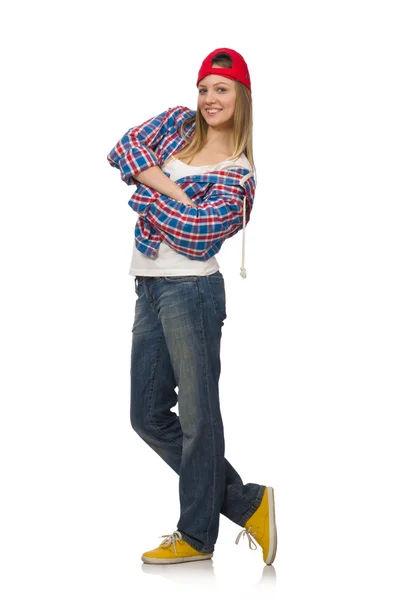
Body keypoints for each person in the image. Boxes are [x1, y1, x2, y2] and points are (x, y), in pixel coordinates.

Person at [107, 47, 277, 566]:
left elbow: (197, 235)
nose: (208, 99)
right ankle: (249, 502)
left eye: (221, 90)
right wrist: (178, 193)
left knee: (198, 420)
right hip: (150, 287)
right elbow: (122, 149)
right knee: (147, 415)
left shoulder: (239, 175)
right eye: (204, 88)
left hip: (193, 294)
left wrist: (146, 186)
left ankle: (197, 537)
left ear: (241, 98)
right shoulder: (179, 125)